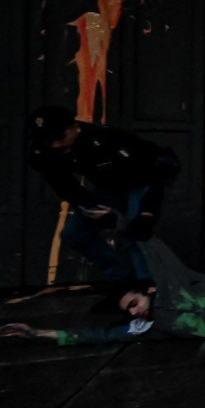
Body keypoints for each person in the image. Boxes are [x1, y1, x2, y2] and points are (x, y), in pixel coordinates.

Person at [0, 240, 205, 358]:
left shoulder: (172, 281)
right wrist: (39, 333)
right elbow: (101, 335)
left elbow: (148, 242)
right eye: (128, 311)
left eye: (133, 304)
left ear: (147, 291)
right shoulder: (151, 325)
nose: (133, 311)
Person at [26, 106, 180, 281]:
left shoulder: (108, 140)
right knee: (74, 234)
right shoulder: (43, 152)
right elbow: (65, 186)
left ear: (74, 127)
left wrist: (147, 212)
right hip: (109, 183)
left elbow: (153, 175)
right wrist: (90, 208)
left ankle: (146, 289)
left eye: (59, 137)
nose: (54, 144)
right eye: (46, 140)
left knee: (136, 230)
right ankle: (124, 283)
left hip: (145, 176)